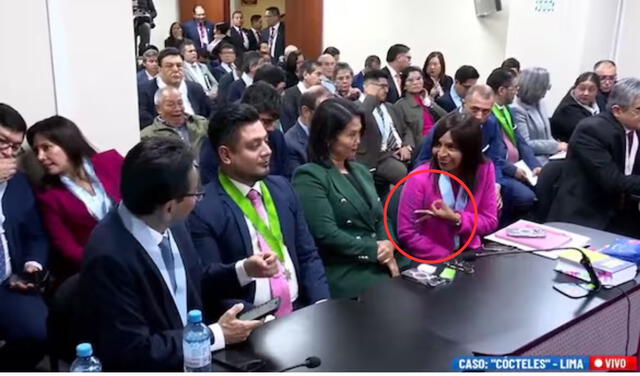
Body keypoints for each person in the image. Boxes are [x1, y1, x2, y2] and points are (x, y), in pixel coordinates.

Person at [76, 137, 268, 371]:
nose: (199, 199)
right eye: (196, 193)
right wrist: (215, 335)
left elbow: (193, 281)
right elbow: (133, 350)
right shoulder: (108, 257)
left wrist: (243, 269)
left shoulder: (170, 222)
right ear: (169, 206)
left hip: (195, 358)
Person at [188, 104, 330, 317]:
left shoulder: (283, 188)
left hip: (302, 311)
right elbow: (209, 283)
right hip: (252, 322)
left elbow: (307, 255)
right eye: (255, 145)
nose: (267, 151)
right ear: (226, 155)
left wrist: (321, 304)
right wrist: (245, 272)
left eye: (266, 140)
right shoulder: (204, 208)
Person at [293, 98, 403, 298]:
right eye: (351, 135)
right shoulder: (309, 176)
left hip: (382, 256)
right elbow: (327, 234)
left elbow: (380, 217)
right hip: (348, 267)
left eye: (359, 133)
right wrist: (375, 250)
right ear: (328, 137)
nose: (358, 141)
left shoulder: (361, 171)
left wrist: (388, 244)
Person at [26, 116, 123, 282]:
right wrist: (105, 263)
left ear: (67, 142)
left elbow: (145, 200)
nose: (40, 157)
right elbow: (68, 248)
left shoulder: (111, 161)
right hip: (99, 265)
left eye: (46, 147)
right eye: (36, 151)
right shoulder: (48, 196)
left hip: (141, 249)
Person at [398, 112, 498, 260]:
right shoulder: (418, 179)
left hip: (470, 253)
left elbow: (489, 221)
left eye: (451, 147)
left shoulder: (484, 170)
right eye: (438, 145)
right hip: (433, 258)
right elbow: (408, 233)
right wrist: (448, 258)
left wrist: (457, 219)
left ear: (469, 151)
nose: (441, 154)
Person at [549, 78, 640, 238]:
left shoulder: (635, 128)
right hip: (588, 214)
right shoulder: (592, 130)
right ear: (617, 110)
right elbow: (613, 180)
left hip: (623, 211)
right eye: (638, 110)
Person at [0, 104, 49, 371]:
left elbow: (36, 235)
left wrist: (32, 265)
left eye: (15, 146)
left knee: (40, 332)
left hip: (8, 283)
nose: (8, 152)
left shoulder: (19, 182)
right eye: (1, 142)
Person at [487, 68, 541, 224]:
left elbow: (521, 142)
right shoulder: (487, 114)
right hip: (501, 171)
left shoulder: (507, 111)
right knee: (525, 197)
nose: (517, 92)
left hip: (519, 166)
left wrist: (534, 165)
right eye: (514, 88)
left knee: (545, 186)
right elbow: (491, 155)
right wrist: (513, 170)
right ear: (502, 90)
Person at [357, 70, 411, 187]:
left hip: (396, 151)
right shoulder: (356, 107)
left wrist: (406, 146)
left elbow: (406, 129)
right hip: (376, 157)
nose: (386, 90)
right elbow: (361, 120)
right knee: (401, 172)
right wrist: (371, 97)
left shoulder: (390, 107)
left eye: (387, 86)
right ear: (367, 87)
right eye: (382, 86)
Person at [138, 47, 211, 129]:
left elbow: (211, 112)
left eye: (179, 65)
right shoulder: (144, 91)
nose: (175, 69)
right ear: (159, 68)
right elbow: (145, 123)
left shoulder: (195, 88)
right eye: (169, 66)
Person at [511, 67, 567, 164]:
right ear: (536, 88)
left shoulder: (540, 103)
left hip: (548, 156)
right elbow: (525, 144)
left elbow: (547, 135)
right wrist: (556, 146)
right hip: (532, 161)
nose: (547, 90)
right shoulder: (516, 109)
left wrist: (560, 146)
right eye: (545, 87)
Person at [141, 86, 209, 161]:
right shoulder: (148, 136)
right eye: (170, 105)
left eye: (180, 103)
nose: (177, 109)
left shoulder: (201, 123)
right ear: (158, 109)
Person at [394, 66, 448, 151]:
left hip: (438, 138)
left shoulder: (428, 99)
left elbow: (446, 118)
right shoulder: (400, 105)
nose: (416, 83)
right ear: (404, 85)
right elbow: (404, 131)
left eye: (419, 79)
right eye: (410, 80)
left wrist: (430, 104)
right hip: (420, 144)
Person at [285, 86, 331, 174]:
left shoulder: (334, 132)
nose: (329, 116)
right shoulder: (290, 144)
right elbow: (300, 180)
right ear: (306, 111)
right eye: (324, 111)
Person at [550, 72, 601, 142]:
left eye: (591, 90)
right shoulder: (567, 109)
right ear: (575, 88)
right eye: (582, 89)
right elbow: (588, 134)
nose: (586, 93)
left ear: (597, 92)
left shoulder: (600, 102)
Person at [281, 60, 323, 131]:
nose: (321, 78)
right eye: (318, 74)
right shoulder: (289, 95)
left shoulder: (321, 94)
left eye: (322, 75)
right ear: (305, 75)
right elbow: (289, 125)